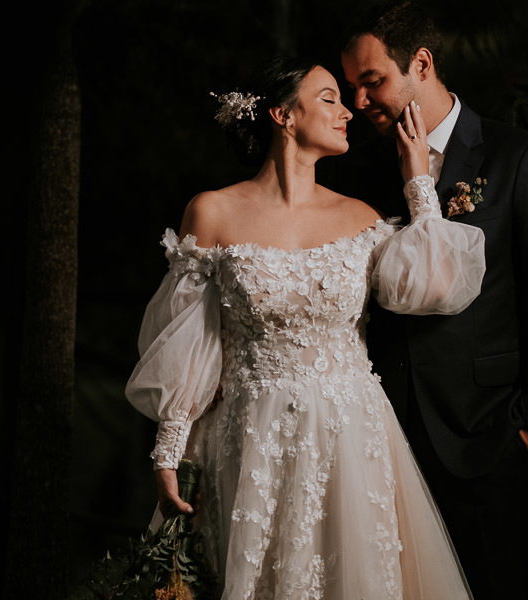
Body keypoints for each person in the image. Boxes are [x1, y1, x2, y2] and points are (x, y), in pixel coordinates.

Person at [126, 55, 485, 599]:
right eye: (329, 99)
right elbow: (191, 343)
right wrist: (169, 449)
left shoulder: (362, 218)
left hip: (351, 437)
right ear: (282, 115)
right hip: (249, 439)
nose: (348, 112)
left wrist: (418, 187)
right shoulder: (213, 212)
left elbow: (435, 288)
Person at [334, 2, 528, 598]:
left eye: (373, 82)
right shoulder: (364, 174)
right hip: (385, 446)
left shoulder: (516, 158)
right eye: (352, 87)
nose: (360, 102)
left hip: (488, 441)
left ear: (420, 64)